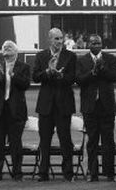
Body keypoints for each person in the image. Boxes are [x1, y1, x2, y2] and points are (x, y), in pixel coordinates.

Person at [33, 28, 76, 182]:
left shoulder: (70, 56)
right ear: (50, 39)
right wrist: (48, 72)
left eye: (61, 39)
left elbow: (72, 78)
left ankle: (68, 173)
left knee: (65, 140)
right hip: (45, 105)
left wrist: (59, 75)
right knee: (44, 141)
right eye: (56, 39)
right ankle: (43, 173)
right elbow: (36, 77)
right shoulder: (41, 56)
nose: (59, 42)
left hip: (64, 104)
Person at [76, 34, 116, 182]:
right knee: (92, 142)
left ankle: (109, 173)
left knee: (109, 142)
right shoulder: (82, 60)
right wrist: (93, 72)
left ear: (102, 44)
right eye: (93, 43)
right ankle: (93, 174)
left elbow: (115, 77)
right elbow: (79, 80)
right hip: (90, 107)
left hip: (107, 106)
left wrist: (102, 69)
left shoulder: (110, 59)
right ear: (88, 44)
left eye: (99, 43)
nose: (96, 45)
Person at [0, 40, 31, 181]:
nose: (6, 48)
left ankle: (17, 173)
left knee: (15, 144)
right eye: (4, 47)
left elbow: (25, 85)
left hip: (16, 111)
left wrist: (13, 75)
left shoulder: (23, 66)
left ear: (15, 51)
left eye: (9, 47)